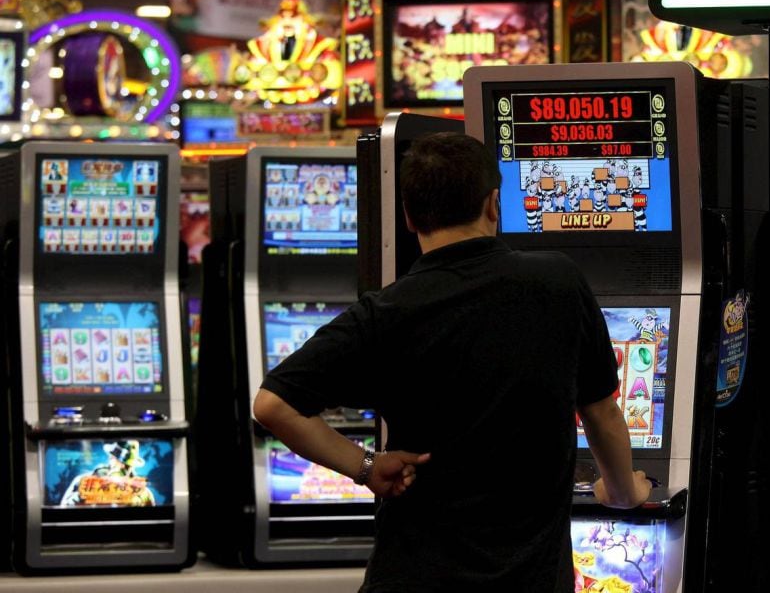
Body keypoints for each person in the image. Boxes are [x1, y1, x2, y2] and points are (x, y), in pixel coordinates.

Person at [253, 132, 652, 591]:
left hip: (411, 576)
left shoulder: (385, 311)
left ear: (408, 215)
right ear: (493, 204)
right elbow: (601, 412)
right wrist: (623, 492)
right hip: (527, 579)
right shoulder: (558, 281)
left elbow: (272, 405)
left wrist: (363, 466)